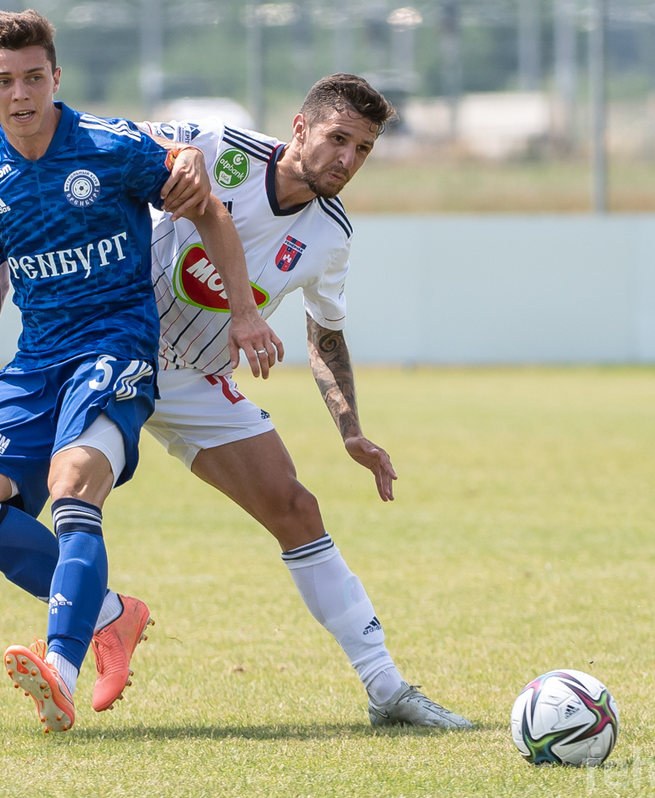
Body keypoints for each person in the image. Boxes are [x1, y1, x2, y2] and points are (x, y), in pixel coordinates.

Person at [0, 9, 276, 733]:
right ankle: (110, 612)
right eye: (4, 81)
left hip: (116, 347)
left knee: (72, 483)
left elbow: (210, 213)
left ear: (56, 77)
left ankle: (59, 668)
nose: (21, 94)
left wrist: (246, 314)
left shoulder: (112, 146)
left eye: (34, 77)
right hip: (36, 362)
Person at [134, 74, 472, 729]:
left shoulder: (332, 234)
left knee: (296, 507)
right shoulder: (222, 146)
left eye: (363, 149)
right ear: (300, 127)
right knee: (11, 489)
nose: (348, 160)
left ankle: (387, 690)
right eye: (338, 139)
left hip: (195, 379)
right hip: (115, 348)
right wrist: (181, 154)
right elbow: (119, 137)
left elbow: (325, 335)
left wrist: (351, 431)